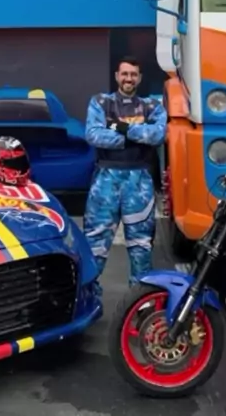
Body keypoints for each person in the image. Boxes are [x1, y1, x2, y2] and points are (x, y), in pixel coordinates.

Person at [83, 56, 167, 289]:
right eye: (125, 74)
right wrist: (135, 136)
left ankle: (139, 302)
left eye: (133, 74)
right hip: (106, 180)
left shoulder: (152, 106)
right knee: (94, 245)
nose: (128, 78)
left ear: (139, 78)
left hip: (139, 182)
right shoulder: (100, 102)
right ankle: (87, 299)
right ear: (117, 76)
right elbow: (93, 135)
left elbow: (158, 135)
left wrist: (120, 127)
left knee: (141, 247)